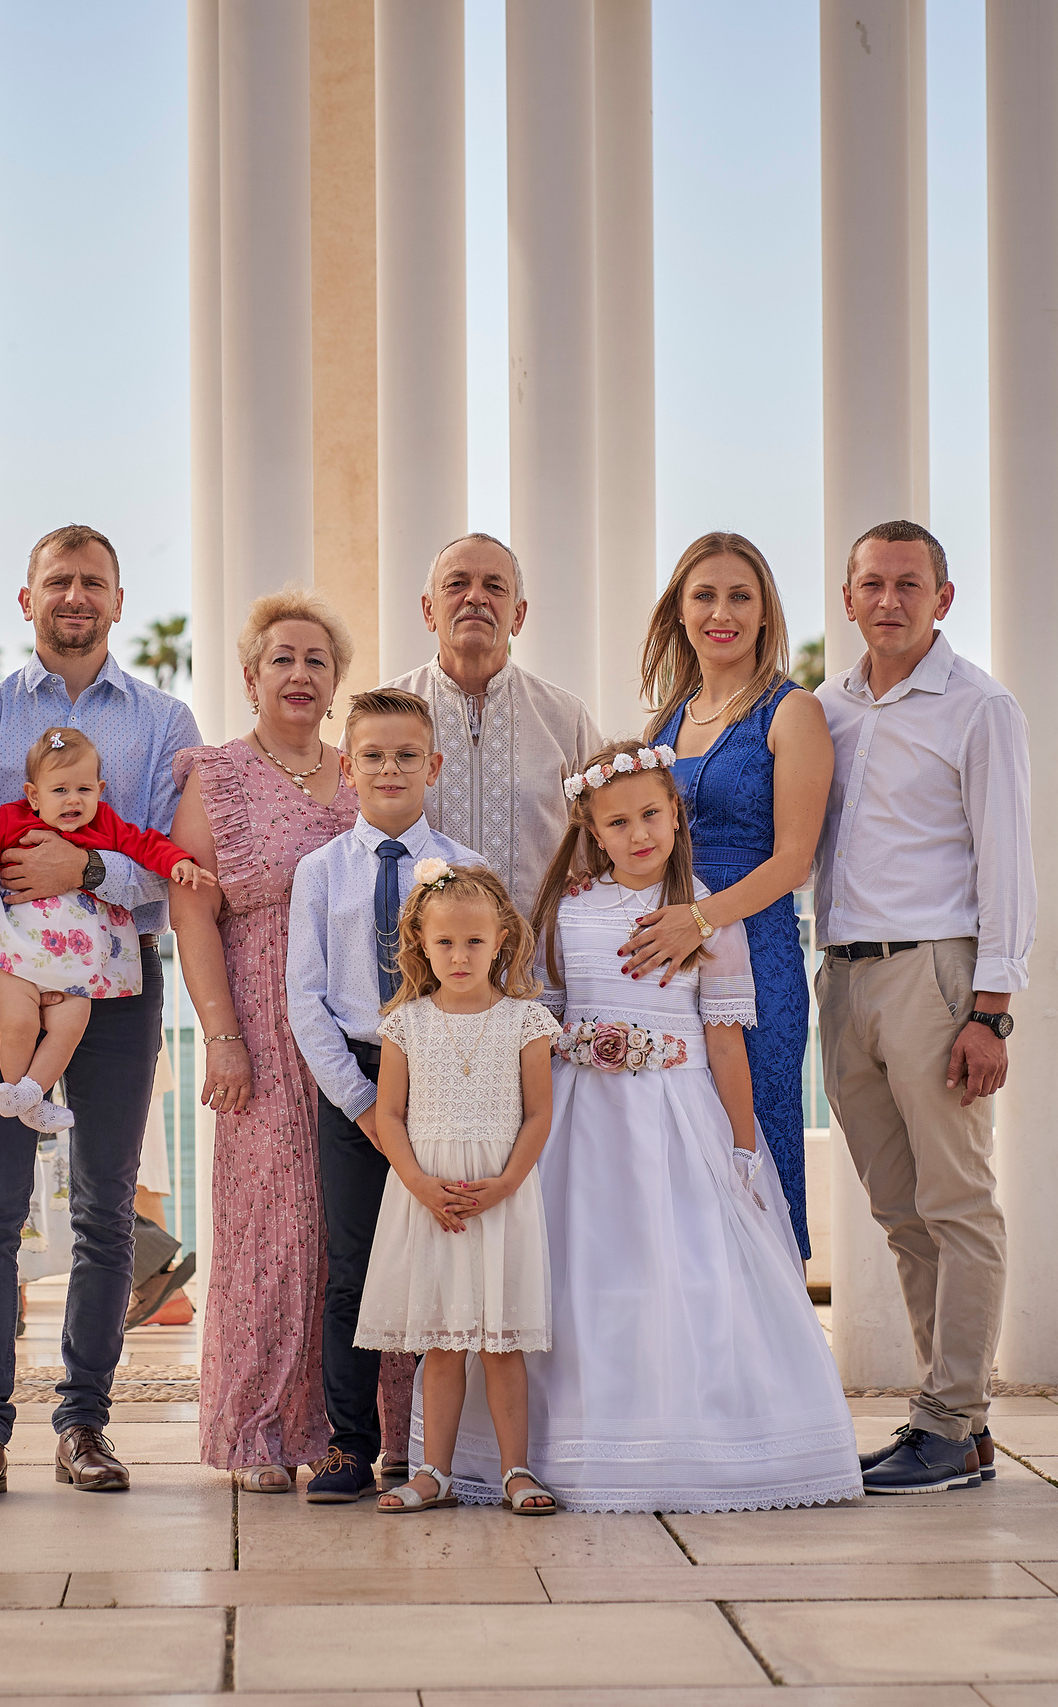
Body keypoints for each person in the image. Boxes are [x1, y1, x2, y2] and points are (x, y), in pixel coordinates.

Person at [441, 740, 858, 1513]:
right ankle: (555, 1450)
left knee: (680, 1270)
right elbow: (547, 1019)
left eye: (651, 816)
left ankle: (690, 1444)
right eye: (619, 822)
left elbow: (725, 1043)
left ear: (675, 815)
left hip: (675, 1116)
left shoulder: (706, 915)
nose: (639, 834)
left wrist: (741, 1142)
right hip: (580, 1120)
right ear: (593, 831)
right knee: (580, 1276)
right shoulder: (566, 909)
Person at [0, 524, 202, 1503]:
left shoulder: (167, 723)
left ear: (118, 602)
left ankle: (83, 1424)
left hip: (118, 998)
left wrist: (86, 867)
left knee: (104, 1213)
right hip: (2, 994)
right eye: (58, 581)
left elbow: (175, 872)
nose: (75, 597)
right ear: (27, 599)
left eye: (93, 582)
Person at [170, 590, 416, 1493]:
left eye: (318, 659)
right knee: (272, 1227)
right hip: (266, 1025)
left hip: (361, 1026)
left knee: (358, 1234)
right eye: (283, 658)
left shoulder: (363, 772)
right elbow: (191, 909)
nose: (301, 674)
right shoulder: (219, 776)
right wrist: (222, 1035)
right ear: (250, 676)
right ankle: (263, 1429)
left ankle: (369, 1428)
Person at [815, 520, 1035, 1495]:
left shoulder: (978, 707)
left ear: (942, 598)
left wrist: (991, 1009)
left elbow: (1008, 861)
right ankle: (951, 1423)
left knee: (956, 1204)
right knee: (900, 1210)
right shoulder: (825, 708)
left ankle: (950, 1419)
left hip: (935, 976)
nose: (890, 600)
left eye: (910, 584)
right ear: (849, 596)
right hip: (844, 976)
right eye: (873, 583)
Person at [286, 687, 479, 1505]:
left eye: (407, 755)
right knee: (353, 1269)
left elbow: (485, 984)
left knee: (448, 1259)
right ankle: (350, 1445)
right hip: (356, 1082)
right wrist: (360, 1101)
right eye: (373, 755)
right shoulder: (320, 872)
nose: (390, 768)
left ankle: (443, 1448)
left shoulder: (467, 868)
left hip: (443, 1081)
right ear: (346, 767)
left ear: (433, 766)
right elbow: (307, 998)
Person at [627, 532, 834, 1256]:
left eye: (740, 595)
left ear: (765, 611)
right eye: (705, 595)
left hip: (759, 955)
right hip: (675, 966)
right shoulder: (665, 720)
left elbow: (795, 860)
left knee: (759, 1149)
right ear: (678, 613)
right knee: (685, 1161)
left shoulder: (791, 710)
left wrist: (699, 919)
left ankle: (779, 1352)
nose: (723, 611)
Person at [353, 861, 561, 1517]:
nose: (460, 954)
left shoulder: (525, 1022)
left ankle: (516, 1470)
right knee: (440, 1343)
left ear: (500, 939)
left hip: (500, 1198)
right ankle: (432, 1471)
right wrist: (416, 1181)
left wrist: (504, 1183)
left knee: (501, 1343)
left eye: (474, 941)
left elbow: (538, 1114)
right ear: (420, 940)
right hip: (428, 1196)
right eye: (445, 942)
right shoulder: (405, 1023)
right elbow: (388, 1114)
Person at [0, 725, 215, 1132]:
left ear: (100, 790)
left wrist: (177, 860)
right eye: (59, 791)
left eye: (84, 790)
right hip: (13, 952)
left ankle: (33, 1092)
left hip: (77, 962)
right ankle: (23, 1094)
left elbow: (145, 844)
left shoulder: (104, 824)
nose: (73, 800)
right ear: (33, 795)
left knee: (71, 1024)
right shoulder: (11, 820)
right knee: (16, 1023)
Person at [384, 534, 604, 915]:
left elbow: (606, 843)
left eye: (494, 586)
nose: (475, 597)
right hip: (417, 965)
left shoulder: (566, 720)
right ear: (428, 610)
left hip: (539, 963)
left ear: (518, 615)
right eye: (457, 584)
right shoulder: (383, 714)